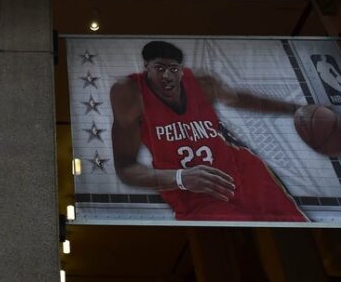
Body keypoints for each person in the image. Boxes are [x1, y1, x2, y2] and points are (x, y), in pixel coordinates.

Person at [110, 40, 306, 222]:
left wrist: (295, 109)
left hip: (242, 173)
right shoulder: (130, 94)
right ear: (146, 67)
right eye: (159, 68)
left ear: (180, 70)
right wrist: (180, 178)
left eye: (173, 69)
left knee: (297, 228)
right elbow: (126, 168)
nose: (166, 76)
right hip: (193, 193)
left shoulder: (202, 83)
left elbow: (241, 99)